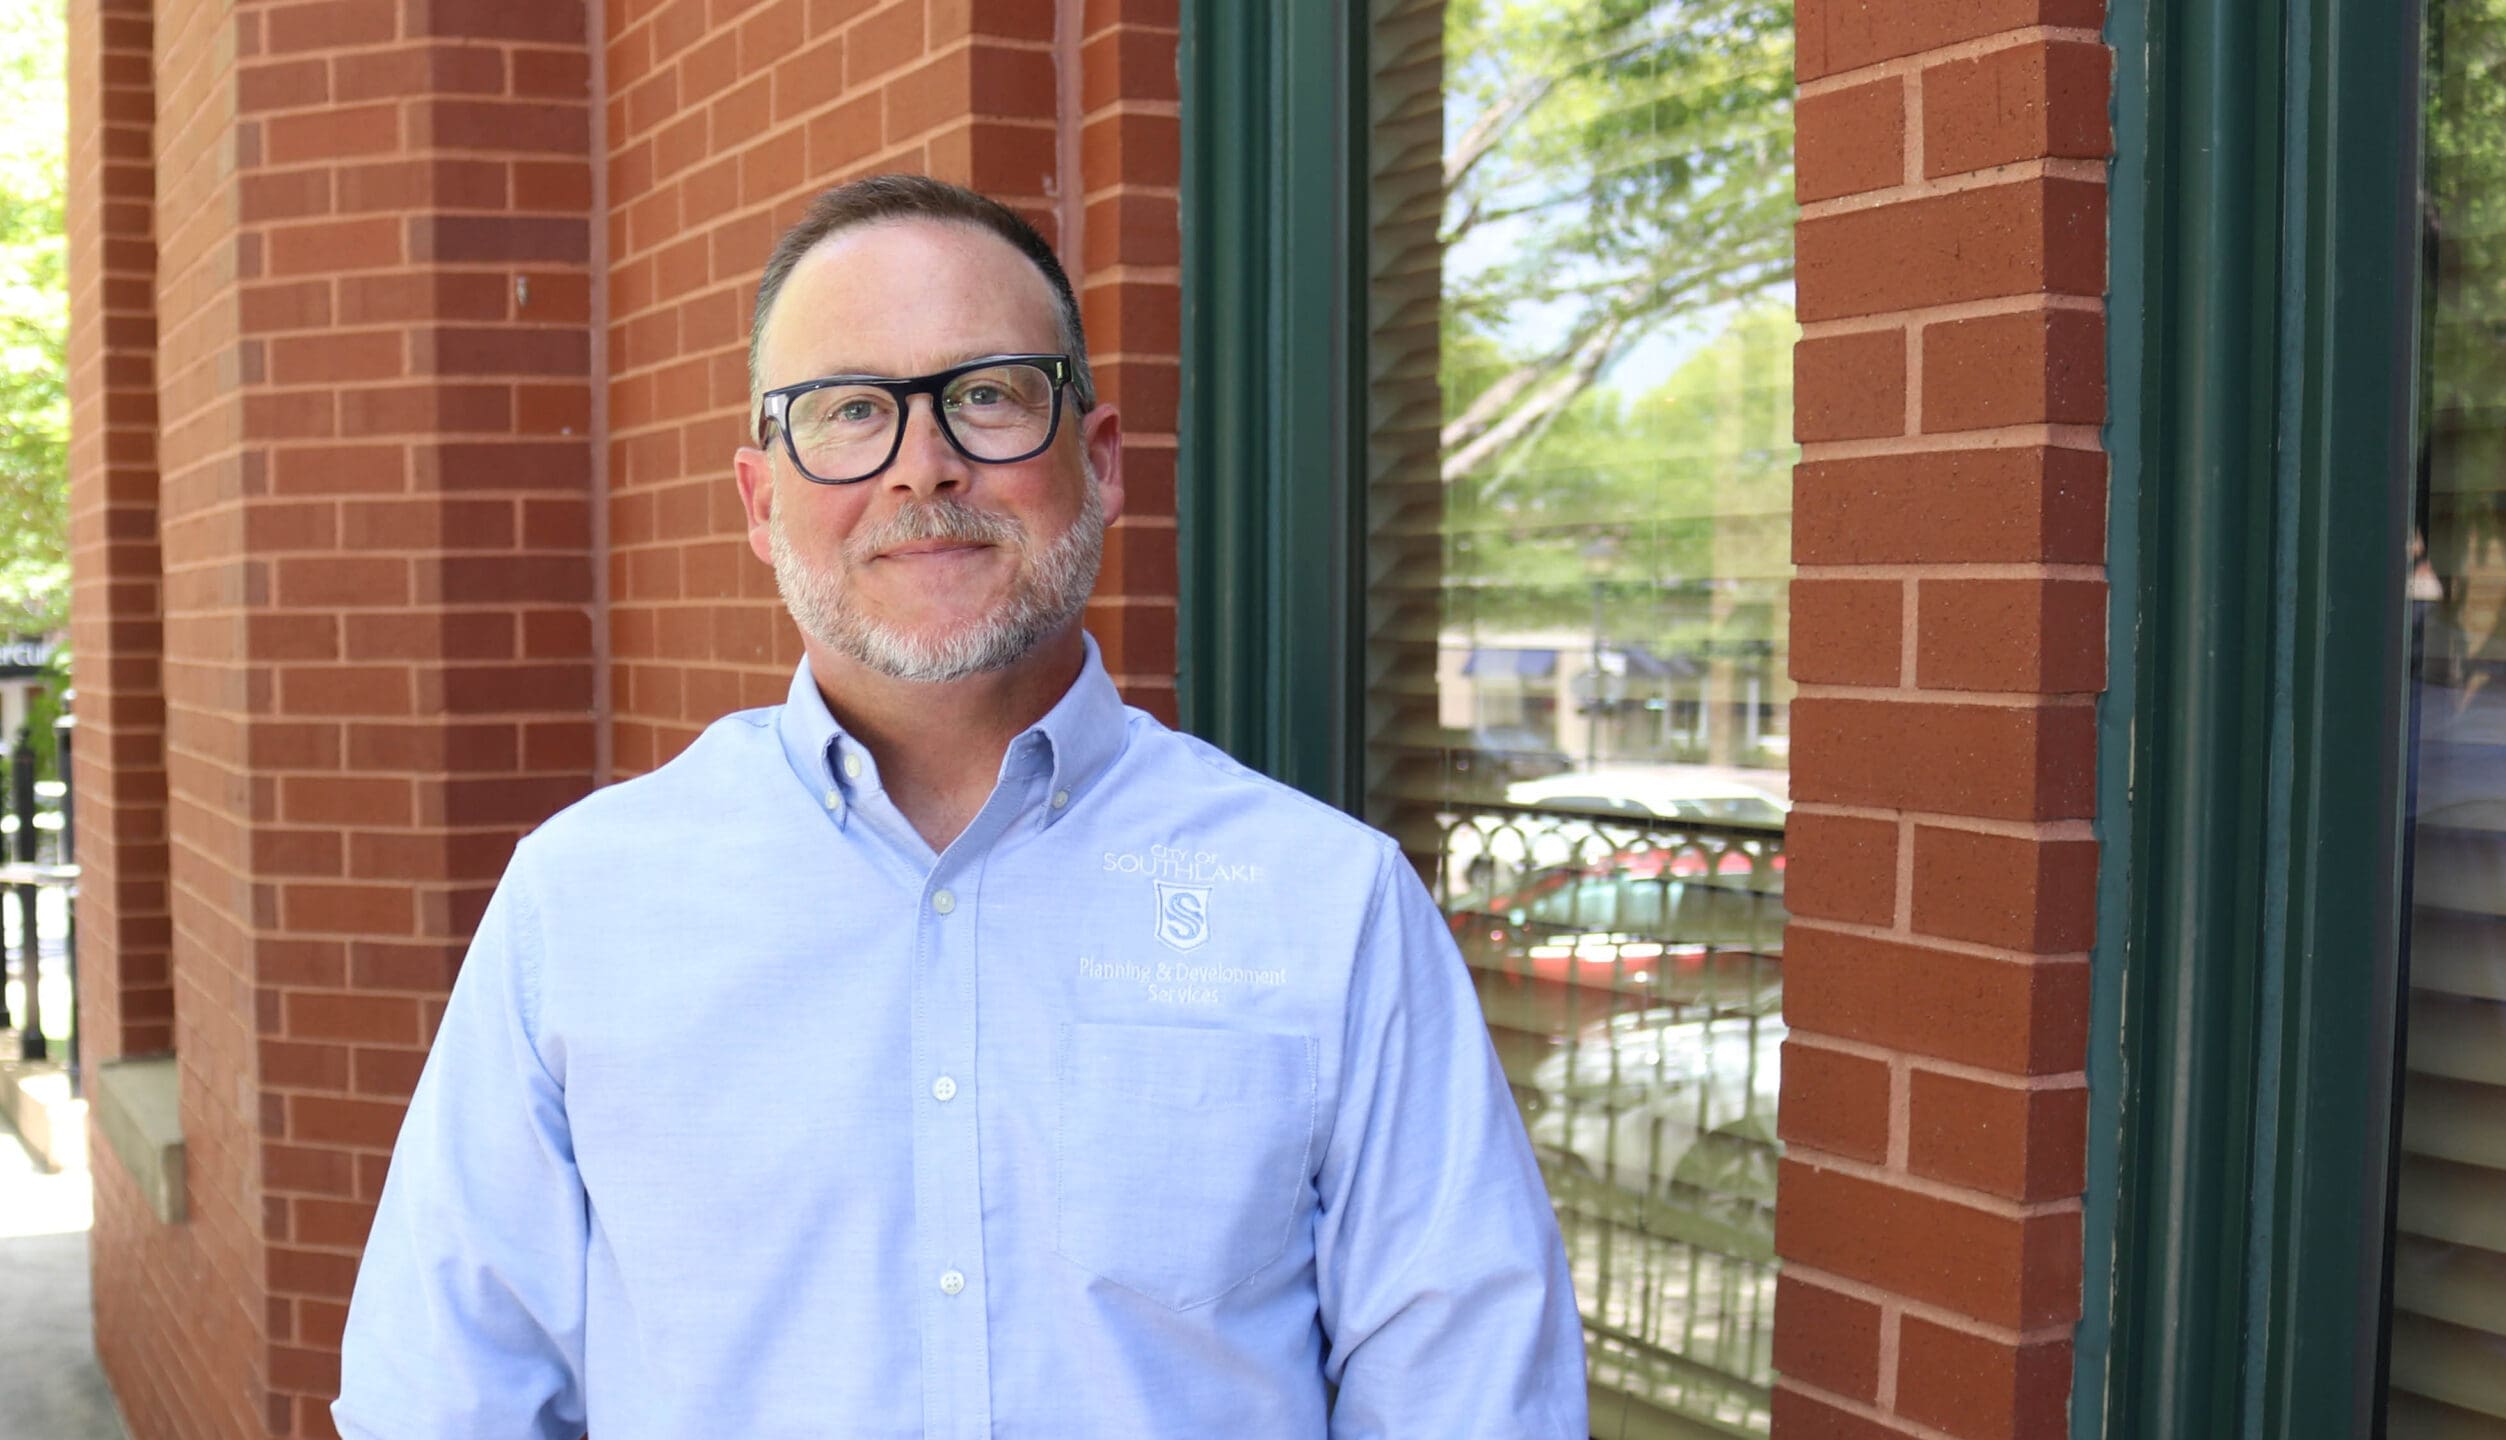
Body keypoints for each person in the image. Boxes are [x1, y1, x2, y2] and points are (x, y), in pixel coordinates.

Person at [332, 173, 1587, 1439]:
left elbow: (1473, 1404)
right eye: (847, 412)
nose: (920, 468)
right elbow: (444, 1397)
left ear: (1098, 464)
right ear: (762, 502)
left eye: (985, 396)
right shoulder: (582, 903)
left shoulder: (1330, 906)